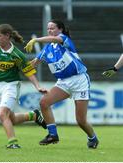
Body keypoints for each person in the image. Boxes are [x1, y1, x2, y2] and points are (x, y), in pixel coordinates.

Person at [24, 19, 99, 149]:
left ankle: (93, 138)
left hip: (79, 80)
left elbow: (56, 39)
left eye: (52, 28)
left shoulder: (64, 40)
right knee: (44, 103)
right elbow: (34, 63)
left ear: (60, 30)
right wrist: (20, 65)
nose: (50, 30)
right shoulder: (47, 48)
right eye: (48, 28)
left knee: (80, 120)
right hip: (63, 82)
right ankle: (53, 135)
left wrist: (36, 40)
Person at [0, 24, 47, 149]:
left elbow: (29, 72)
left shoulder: (17, 55)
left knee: (2, 114)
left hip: (11, 86)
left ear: (7, 36)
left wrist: (38, 87)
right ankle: (34, 115)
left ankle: (13, 143)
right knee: (11, 119)